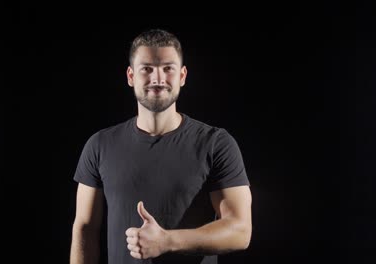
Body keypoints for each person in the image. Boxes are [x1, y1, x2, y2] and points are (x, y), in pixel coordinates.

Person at [70, 29, 252, 264]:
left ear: (182, 76)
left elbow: (240, 231)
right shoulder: (100, 145)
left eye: (168, 68)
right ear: (130, 76)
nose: (157, 79)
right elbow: (85, 228)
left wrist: (167, 241)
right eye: (146, 68)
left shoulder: (216, 143)